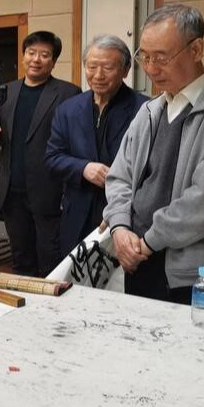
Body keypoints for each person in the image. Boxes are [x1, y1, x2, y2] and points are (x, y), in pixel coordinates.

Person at [104, 3, 204, 307]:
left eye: (161, 57)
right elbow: (119, 176)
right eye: (144, 57)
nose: (151, 68)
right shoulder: (149, 111)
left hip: (192, 276)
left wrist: (147, 242)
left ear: (196, 49)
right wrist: (120, 228)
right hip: (137, 260)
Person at [0, 31, 79, 277]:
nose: (36, 59)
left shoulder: (68, 93)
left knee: (52, 262)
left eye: (44, 55)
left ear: (53, 61)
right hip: (12, 192)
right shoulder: (7, 91)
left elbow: (75, 143)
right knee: (20, 260)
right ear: (23, 56)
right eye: (31, 53)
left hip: (50, 193)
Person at [45, 35, 147, 257]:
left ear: (126, 70)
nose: (98, 75)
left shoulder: (146, 110)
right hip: (76, 215)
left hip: (126, 219)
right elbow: (52, 157)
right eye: (92, 67)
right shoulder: (68, 109)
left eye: (108, 68)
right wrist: (83, 168)